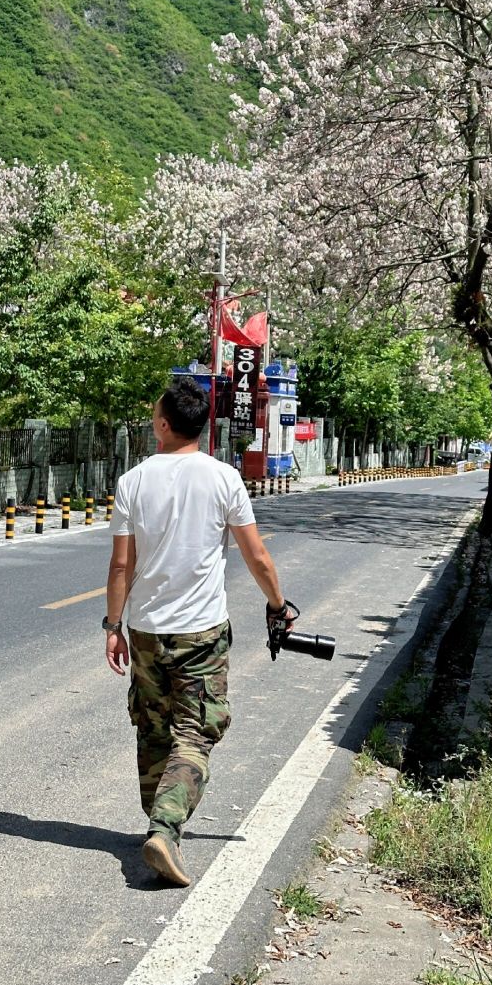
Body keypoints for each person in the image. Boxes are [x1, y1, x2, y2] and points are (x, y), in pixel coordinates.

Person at [104, 374, 295, 887]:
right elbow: (256, 555)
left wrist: (113, 625)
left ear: (164, 425)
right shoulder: (223, 478)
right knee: (196, 731)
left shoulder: (134, 481)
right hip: (201, 633)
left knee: (153, 726)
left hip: (145, 630)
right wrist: (278, 604)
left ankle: (158, 821)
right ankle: (165, 827)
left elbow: (122, 567)